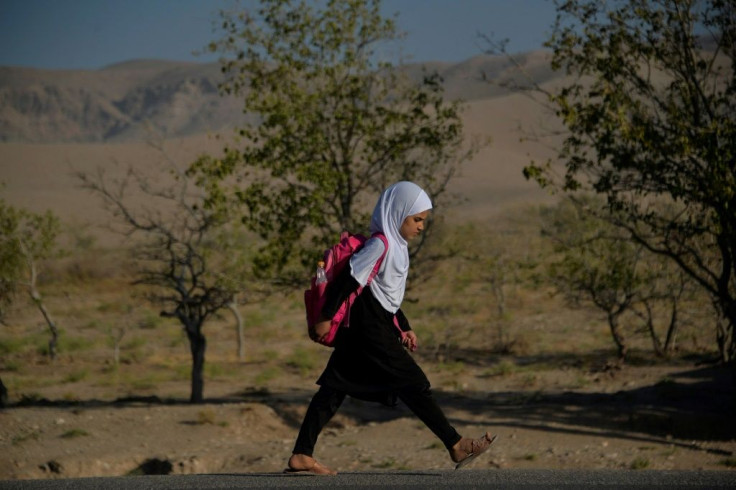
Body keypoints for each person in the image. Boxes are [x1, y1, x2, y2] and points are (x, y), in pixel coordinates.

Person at [286, 181, 496, 475]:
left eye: (423, 220)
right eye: (416, 219)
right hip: (367, 327)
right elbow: (349, 279)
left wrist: (404, 327)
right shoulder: (380, 244)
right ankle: (456, 444)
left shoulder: (397, 247)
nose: (421, 227)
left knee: (334, 389)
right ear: (397, 213)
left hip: (375, 323)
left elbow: (387, 296)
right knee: (413, 382)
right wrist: (326, 315)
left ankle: (301, 454)